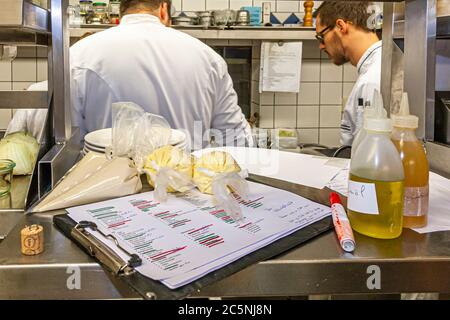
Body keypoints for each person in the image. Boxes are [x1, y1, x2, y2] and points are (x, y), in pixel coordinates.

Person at [70, 0, 253, 150]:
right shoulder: (208, 58)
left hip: (106, 189)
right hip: (188, 189)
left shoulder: (78, 55)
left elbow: (71, 145)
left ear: (121, 12)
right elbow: (236, 140)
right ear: (164, 10)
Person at [314, 1, 382, 146]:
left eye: (321, 37)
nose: (321, 46)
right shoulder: (377, 67)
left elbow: (367, 159)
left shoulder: (371, 81)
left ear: (341, 27)